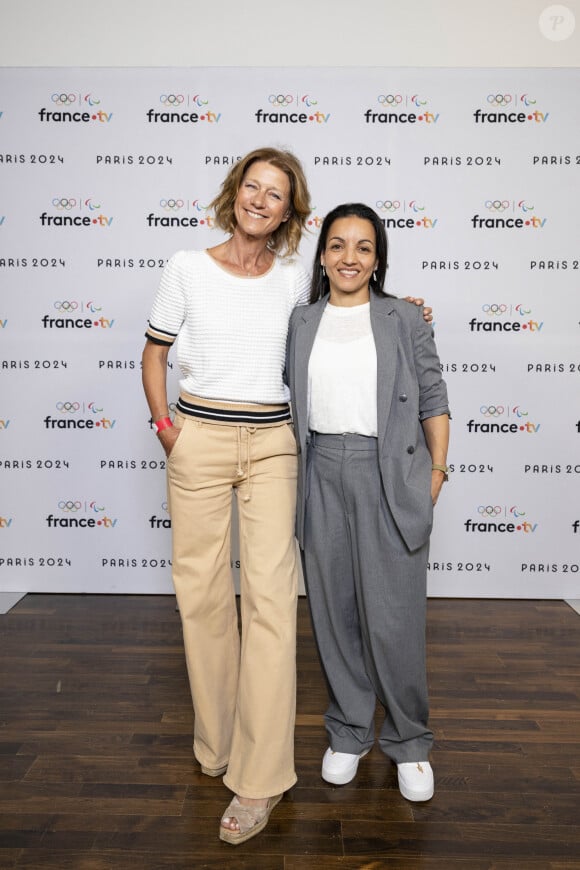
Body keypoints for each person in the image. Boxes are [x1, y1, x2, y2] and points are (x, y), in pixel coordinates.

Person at [142, 151, 432, 845]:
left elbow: (354, 308)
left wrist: (410, 311)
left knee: (272, 604)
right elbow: (153, 353)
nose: (261, 202)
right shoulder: (185, 266)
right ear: (234, 193)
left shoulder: (295, 281)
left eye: (277, 196)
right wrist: (168, 432)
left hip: (274, 449)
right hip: (199, 439)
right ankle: (218, 744)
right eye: (253, 187)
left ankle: (261, 778)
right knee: (204, 600)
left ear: (289, 212)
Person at [285, 202, 450, 803]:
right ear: (322, 255)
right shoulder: (300, 321)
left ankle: (410, 741)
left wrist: (434, 474)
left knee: (395, 618)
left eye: (362, 247)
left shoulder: (404, 317)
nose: (348, 257)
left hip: (390, 472)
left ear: (377, 259)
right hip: (320, 471)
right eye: (336, 245)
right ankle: (349, 731)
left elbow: (433, 394)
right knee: (334, 612)